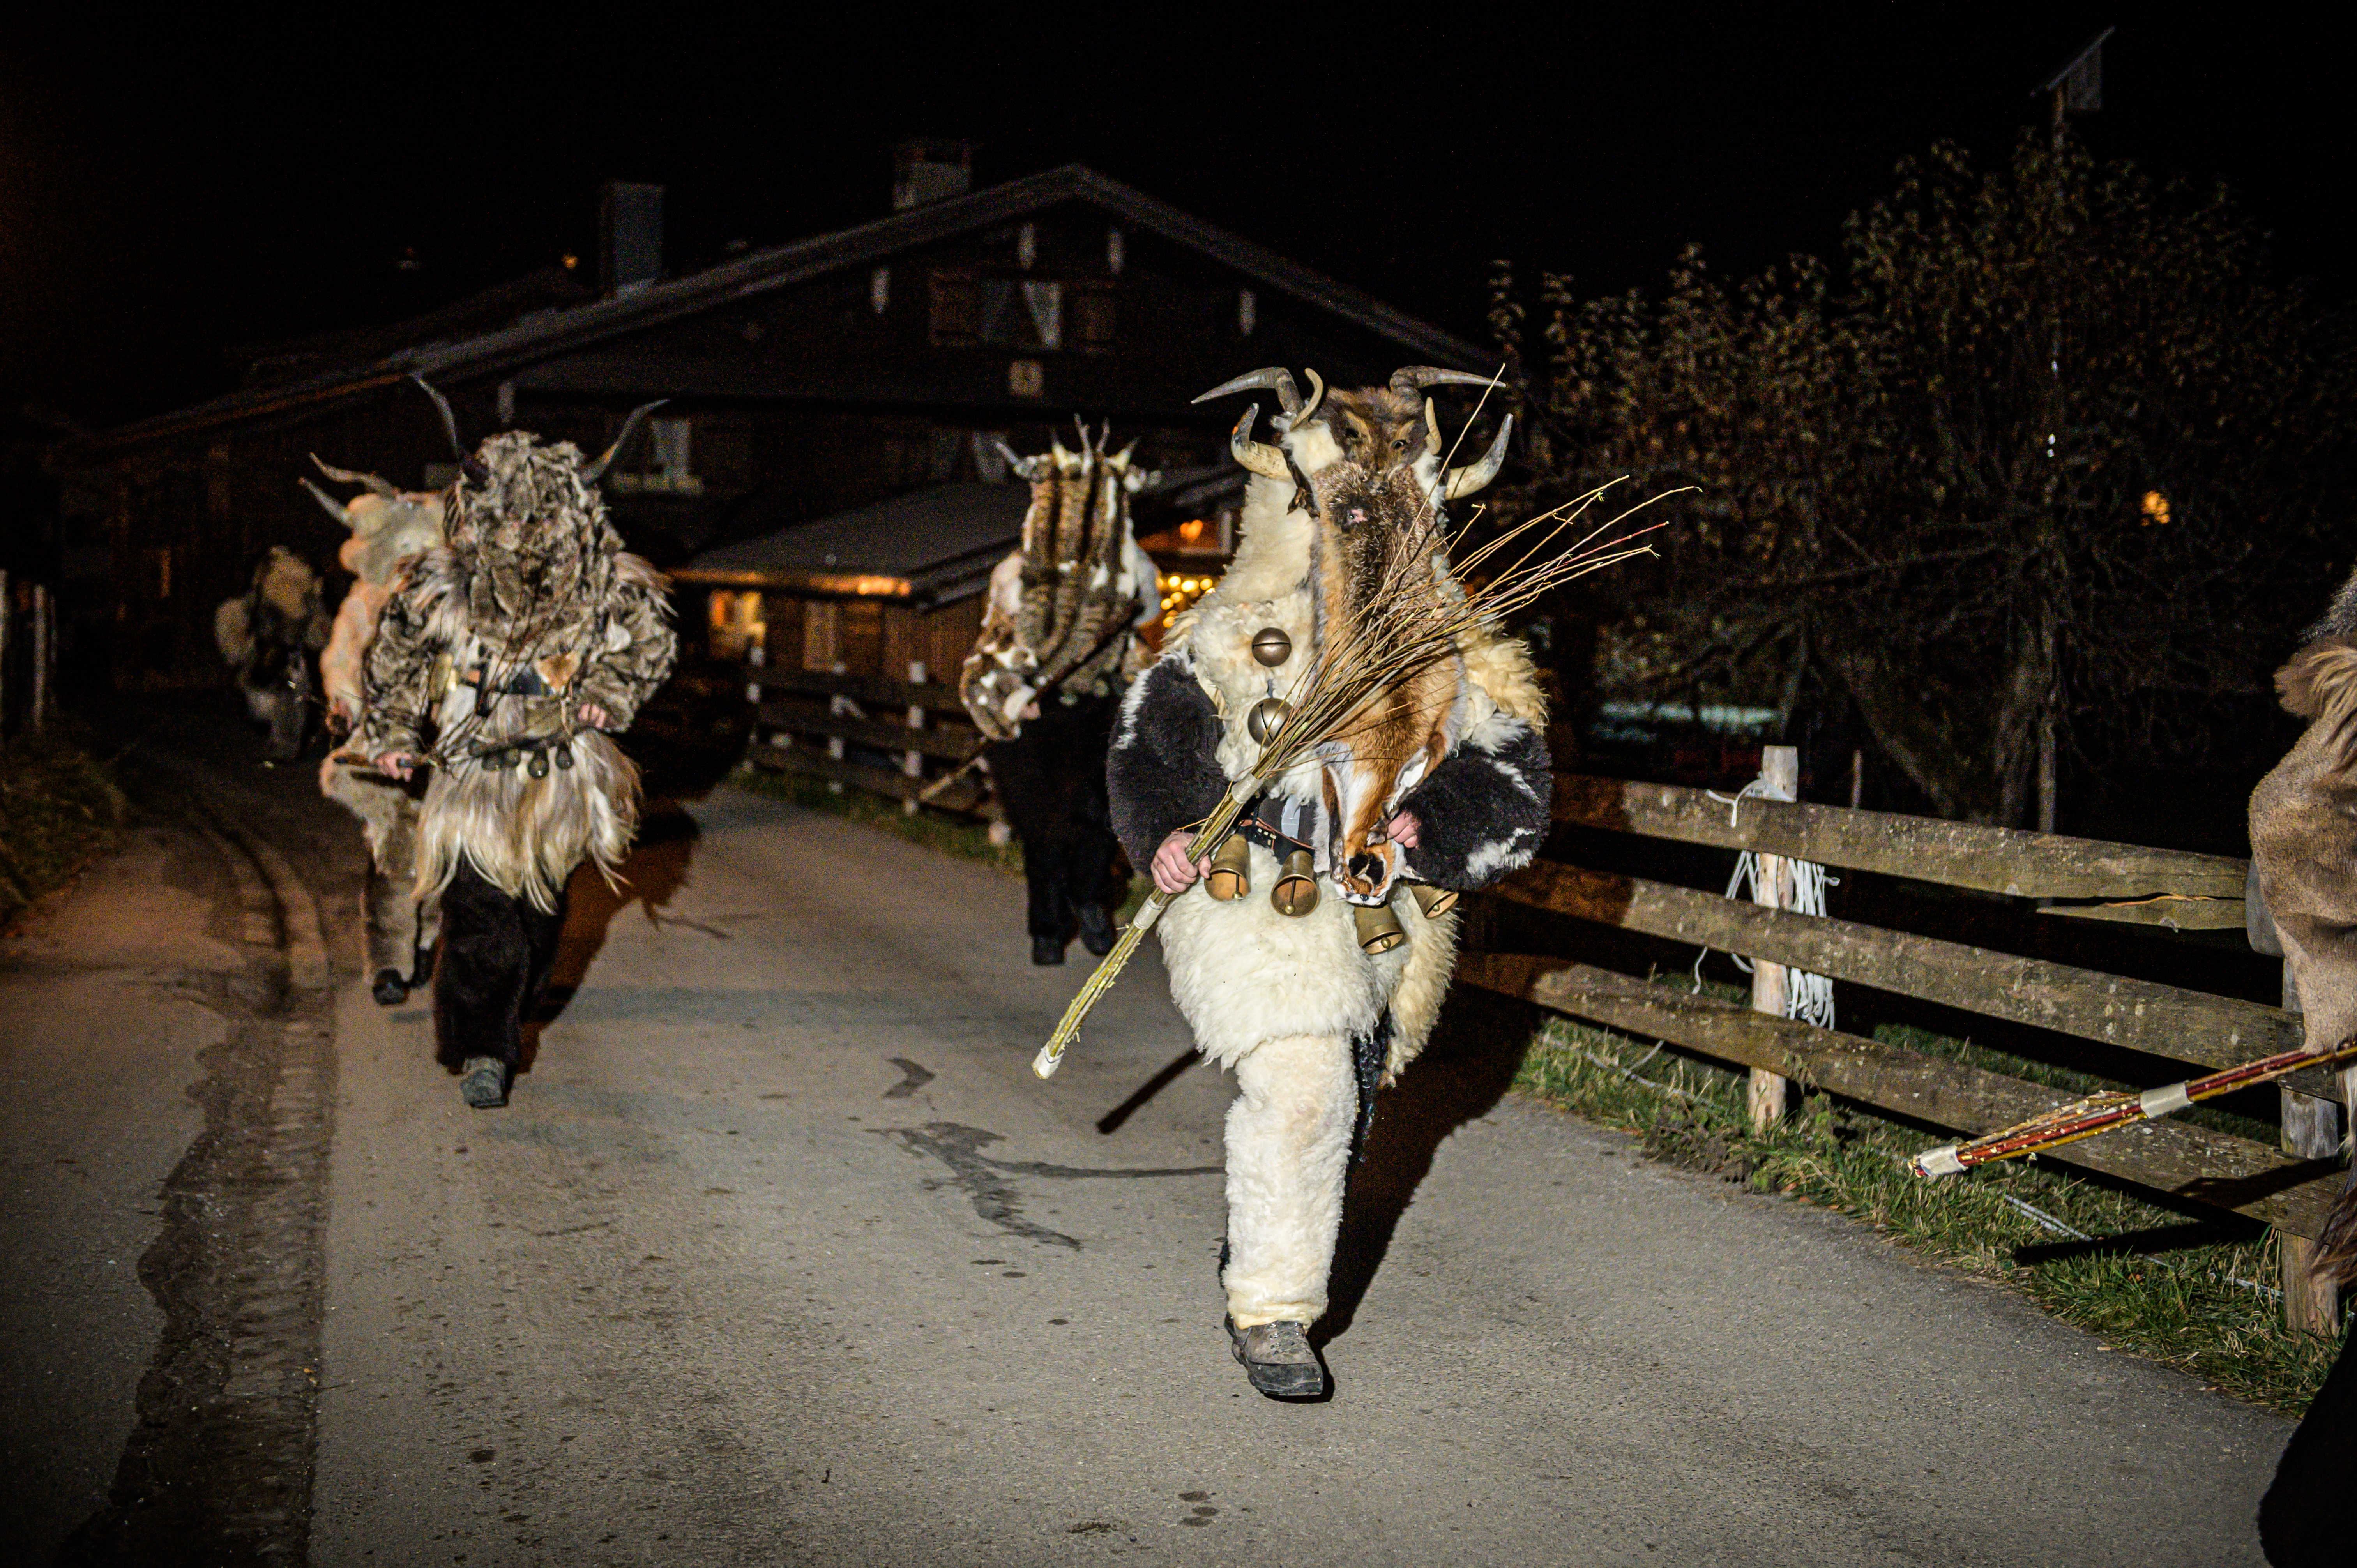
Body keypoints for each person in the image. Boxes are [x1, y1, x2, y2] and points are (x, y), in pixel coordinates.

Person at [1107, 365, 1549, 1397]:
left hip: (1389, 912)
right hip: (1252, 890)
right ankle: (1274, 1313)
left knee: (1348, 1101)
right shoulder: (1230, 630)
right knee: (1306, 1093)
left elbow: (1516, 795)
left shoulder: (1456, 653)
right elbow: (1153, 745)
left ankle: (1265, 1239)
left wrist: (1425, 823)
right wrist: (1168, 831)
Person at [359, 389, 675, 1107]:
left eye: (540, 516)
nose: (525, 531)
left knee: (536, 924)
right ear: (481, 513)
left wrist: (610, 688)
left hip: (558, 784)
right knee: (480, 918)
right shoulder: (440, 587)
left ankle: (508, 1004)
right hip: (471, 779)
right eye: (511, 515)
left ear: (569, 515)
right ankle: (484, 1053)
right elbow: (398, 657)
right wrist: (395, 734)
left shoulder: (604, 585)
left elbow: (648, 644)